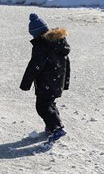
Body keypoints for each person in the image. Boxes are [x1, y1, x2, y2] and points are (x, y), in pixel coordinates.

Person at [20, 13, 71, 142]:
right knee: (50, 104)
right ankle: (51, 126)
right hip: (57, 80)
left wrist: (26, 83)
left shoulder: (42, 46)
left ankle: (57, 128)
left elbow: (34, 66)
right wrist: (65, 82)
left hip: (46, 82)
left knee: (42, 106)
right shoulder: (59, 43)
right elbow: (67, 64)